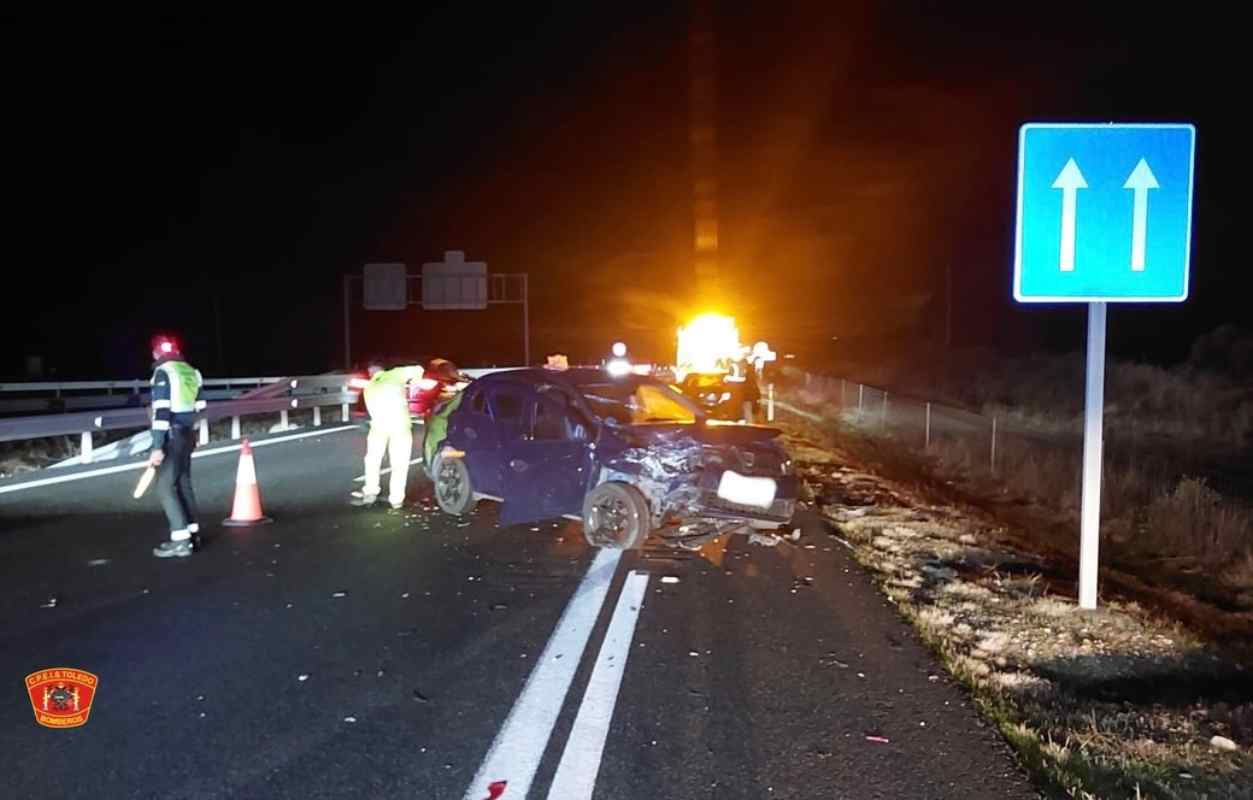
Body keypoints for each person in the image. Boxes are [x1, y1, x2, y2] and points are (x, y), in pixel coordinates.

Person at [148, 335, 206, 558]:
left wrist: (156, 446)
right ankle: (193, 535)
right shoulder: (192, 372)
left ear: (156, 354)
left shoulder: (163, 373)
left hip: (172, 435)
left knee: (164, 487)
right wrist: (197, 435)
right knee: (183, 483)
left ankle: (180, 540)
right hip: (188, 434)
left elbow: (161, 412)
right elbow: (200, 407)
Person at [351, 362, 425, 509]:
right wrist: (415, 383)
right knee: (399, 464)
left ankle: (370, 493)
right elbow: (419, 369)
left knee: (372, 460)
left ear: (372, 370)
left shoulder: (370, 385)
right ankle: (396, 500)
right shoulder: (396, 374)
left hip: (378, 428)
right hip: (400, 427)